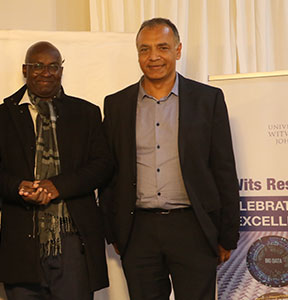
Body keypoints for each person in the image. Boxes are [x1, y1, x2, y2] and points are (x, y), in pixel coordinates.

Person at [101, 17, 240, 300]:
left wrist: (227, 235)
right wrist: (113, 231)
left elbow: (223, 169)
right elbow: (109, 172)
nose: (153, 56)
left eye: (162, 47)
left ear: (177, 50)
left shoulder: (208, 100)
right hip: (137, 230)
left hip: (194, 227)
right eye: (144, 49)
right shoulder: (116, 104)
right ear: (137, 53)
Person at [0, 41, 113, 300]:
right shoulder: (0, 116)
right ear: (25, 69)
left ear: (61, 70)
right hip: (23, 244)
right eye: (38, 66)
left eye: (53, 66)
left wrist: (58, 186)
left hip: (73, 243)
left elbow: (102, 165)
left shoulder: (86, 113)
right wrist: (18, 187)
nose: (46, 72)